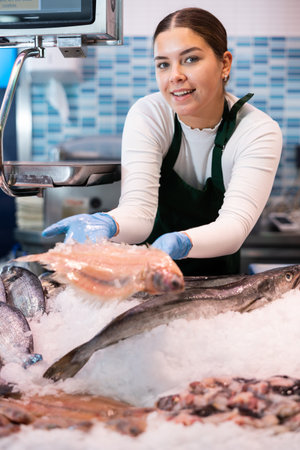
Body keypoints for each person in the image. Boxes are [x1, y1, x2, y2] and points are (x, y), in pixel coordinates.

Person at [42, 7, 282, 276]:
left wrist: (181, 241)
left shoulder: (257, 131)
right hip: (146, 276)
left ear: (224, 64)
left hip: (217, 282)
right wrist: (107, 222)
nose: (174, 75)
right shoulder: (149, 115)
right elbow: (139, 213)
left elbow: (235, 227)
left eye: (190, 59)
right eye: (163, 64)